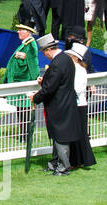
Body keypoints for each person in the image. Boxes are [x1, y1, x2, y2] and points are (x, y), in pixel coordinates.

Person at [32, 33, 78, 176]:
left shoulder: (58, 63)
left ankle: (63, 167)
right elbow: (57, 82)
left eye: (44, 52)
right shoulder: (66, 59)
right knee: (57, 135)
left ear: (48, 50)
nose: (45, 56)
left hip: (59, 105)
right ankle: (55, 164)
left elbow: (50, 88)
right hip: (65, 103)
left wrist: (36, 97)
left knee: (60, 136)